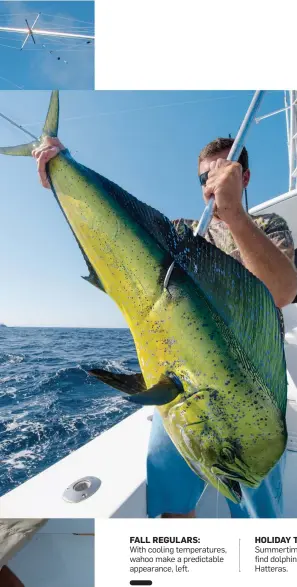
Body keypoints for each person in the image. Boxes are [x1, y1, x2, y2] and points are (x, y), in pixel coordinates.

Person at [33, 136, 297, 519]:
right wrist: (61, 172)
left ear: (245, 176)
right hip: (178, 391)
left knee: (257, 519)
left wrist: (234, 215)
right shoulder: (181, 233)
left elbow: (284, 291)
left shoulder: (267, 226)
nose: (212, 181)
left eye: (224, 171)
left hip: (251, 405)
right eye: (204, 176)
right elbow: (114, 241)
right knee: (170, 507)